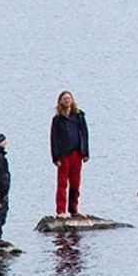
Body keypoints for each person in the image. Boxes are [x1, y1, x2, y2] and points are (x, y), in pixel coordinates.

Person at [50, 90, 90, 218]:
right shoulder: (57, 119)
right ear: (60, 102)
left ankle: (74, 209)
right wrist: (55, 157)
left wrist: (85, 152)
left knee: (75, 182)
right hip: (63, 155)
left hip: (76, 153)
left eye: (69, 98)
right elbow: (54, 139)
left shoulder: (78, 116)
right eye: (64, 98)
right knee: (62, 183)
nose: (67, 100)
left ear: (72, 100)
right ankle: (60, 211)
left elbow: (84, 134)